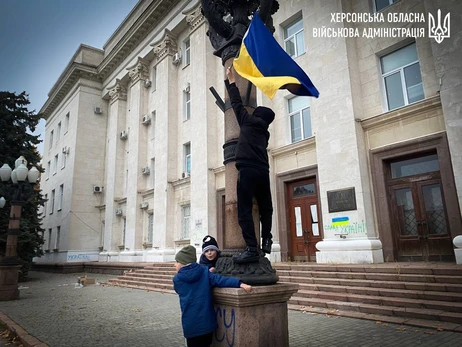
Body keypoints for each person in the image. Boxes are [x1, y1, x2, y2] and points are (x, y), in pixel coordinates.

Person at [225, 66, 275, 263]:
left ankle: (251, 248)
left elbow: (236, 103)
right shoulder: (265, 132)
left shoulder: (247, 122)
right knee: (266, 207)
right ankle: (267, 239)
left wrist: (231, 80)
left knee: (244, 209)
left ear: (256, 115)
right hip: (263, 170)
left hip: (247, 170)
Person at [173, 245, 252, 347]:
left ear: (183, 263)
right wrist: (240, 284)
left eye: (176, 262)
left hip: (190, 324)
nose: (174, 265)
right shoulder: (205, 272)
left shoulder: (177, 279)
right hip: (207, 324)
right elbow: (221, 280)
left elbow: (178, 290)